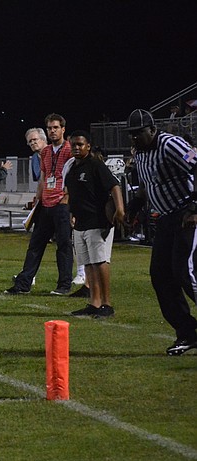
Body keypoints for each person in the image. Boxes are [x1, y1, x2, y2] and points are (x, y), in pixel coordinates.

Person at [125, 108, 197, 355]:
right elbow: (147, 184)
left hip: (186, 214)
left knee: (185, 271)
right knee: (160, 276)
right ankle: (187, 333)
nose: (135, 137)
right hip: (166, 218)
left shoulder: (171, 144)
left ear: (153, 129)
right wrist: (134, 206)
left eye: (139, 132)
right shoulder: (140, 153)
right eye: (132, 133)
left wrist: (194, 207)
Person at [5, 113, 74, 294]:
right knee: (35, 245)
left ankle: (64, 285)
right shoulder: (45, 152)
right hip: (46, 203)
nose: (52, 131)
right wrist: (37, 200)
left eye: (56, 128)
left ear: (63, 129)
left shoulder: (69, 149)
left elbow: (72, 176)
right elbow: (43, 177)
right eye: (49, 128)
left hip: (61, 202)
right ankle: (23, 284)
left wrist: (67, 199)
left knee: (64, 245)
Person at [63, 131, 125, 318]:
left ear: (88, 146)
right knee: (88, 264)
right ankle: (94, 302)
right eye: (74, 145)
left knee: (100, 261)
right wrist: (71, 213)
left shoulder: (96, 165)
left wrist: (120, 209)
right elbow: (72, 193)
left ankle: (107, 304)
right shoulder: (72, 167)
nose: (76, 148)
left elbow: (114, 186)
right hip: (80, 222)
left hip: (97, 221)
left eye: (80, 144)